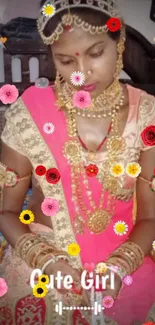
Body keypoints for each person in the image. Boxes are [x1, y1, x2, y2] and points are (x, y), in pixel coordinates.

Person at [0, 0, 155, 324]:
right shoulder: (29, 113)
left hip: (125, 250)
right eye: (66, 60)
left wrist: (118, 267)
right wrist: (47, 261)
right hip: (45, 248)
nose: (81, 74)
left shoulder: (148, 115)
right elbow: (8, 212)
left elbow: (150, 218)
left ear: (120, 42)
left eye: (96, 53)